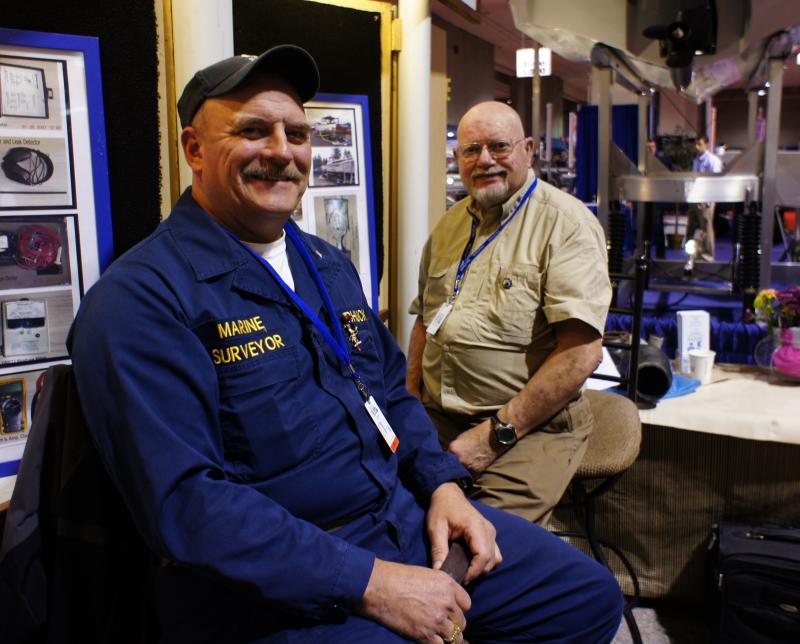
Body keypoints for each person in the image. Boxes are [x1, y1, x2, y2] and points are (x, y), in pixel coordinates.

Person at [68, 48, 623, 643]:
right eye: (253, 131)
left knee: (586, 597)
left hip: (399, 518)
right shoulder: (140, 301)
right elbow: (186, 505)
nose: (282, 151)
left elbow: (387, 390)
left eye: (297, 133)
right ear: (194, 150)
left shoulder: (326, 265)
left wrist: (441, 486)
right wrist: (372, 582)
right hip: (276, 581)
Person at [407, 101, 612, 526]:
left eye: (499, 146)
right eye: (470, 150)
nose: (484, 160)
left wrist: (495, 434)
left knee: (477, 545)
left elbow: (581, 353)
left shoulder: (565, 224)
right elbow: (425, 323)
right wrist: (409, 405)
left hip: (527, 428)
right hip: (436, 418)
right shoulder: (449, 226)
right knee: (383, 512)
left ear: (529, 149)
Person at [688, 134, 723, 261]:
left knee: (706, 228)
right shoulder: (696, 160)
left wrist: (709, 201)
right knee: (695, 227)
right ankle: (697, 254)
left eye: (700, 144)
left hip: (706, 199)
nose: (697, 147)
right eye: (696, 144)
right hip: (696, 199)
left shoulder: (713, 161)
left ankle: (709, 256)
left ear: (706, 145)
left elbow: (716, 181)